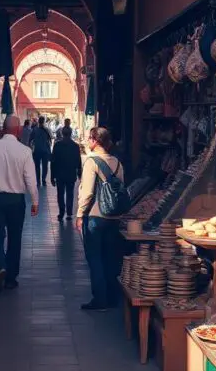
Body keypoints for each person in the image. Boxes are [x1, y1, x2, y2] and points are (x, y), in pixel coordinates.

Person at [0, 115, 39, 293]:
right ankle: (11, 278)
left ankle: (0, 265)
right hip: (16, 200)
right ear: (18, 130)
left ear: (3, 128)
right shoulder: (25, 151)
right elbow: (31, 179)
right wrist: (35, 201)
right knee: (15, 237)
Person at [76, 126, 124, 311]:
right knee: (110, 257)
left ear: (95, 141)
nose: (88, 141)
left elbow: (87, 192)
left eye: (89, 138)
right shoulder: (118, 163)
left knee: (94, 257)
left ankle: (99, 300)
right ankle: (113, 297)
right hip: (114, 216)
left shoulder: (92, 162)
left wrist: (80, 214)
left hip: (95, 216)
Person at [50, 126, 81, 221]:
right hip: (71, 174)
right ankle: (69, 213)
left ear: (62, 133)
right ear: (71, 134)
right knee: (70, 193)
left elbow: (53, 162)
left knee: (60, 193)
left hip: (59, 174)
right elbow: (78, 161)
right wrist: (79, 173)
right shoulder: (75, 146)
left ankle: (61, 212)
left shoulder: (57, 145)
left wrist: (52, 176)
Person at [31, 116, 53, 186]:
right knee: (45, 166)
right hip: (45, 151)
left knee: (37, 166)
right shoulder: (47, 130)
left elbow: (30, 140)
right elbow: (51, 138)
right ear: (44, 122)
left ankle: (38, 181)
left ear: (38, 121)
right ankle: (43, 180)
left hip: (37, 151)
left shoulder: (34, 130)